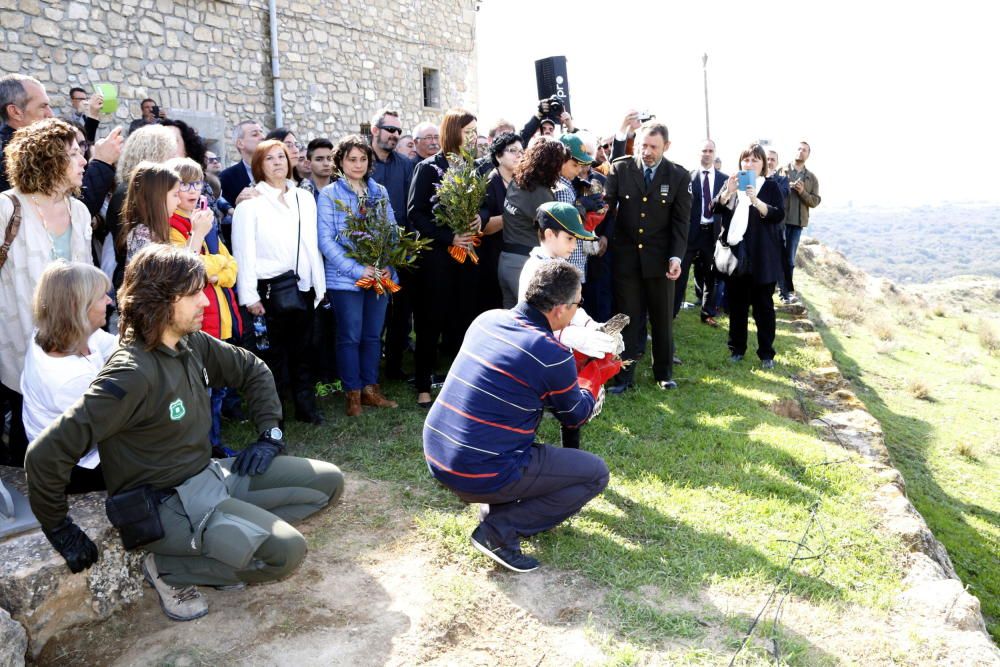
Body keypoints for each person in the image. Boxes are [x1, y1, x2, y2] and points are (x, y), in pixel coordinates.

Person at [25, 244, 344, 622]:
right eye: (193, 293)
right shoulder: (129, 375)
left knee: (328, 483)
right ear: (161, 300)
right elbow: (45, 455)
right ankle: (168, 569)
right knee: (286, 552)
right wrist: (59, 527)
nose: (205, 302)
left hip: (210, 477)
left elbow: (253, 369)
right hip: (167, 505)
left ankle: (230, 533)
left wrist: (269, 433)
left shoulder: (190, 343)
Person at [423, 261, 617, 572]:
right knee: (595, 473)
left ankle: (495, 505)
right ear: (558, 310)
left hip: (438, 453)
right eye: (577, 304)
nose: (578, 310)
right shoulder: (551, 353)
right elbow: (575, 416)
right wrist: (592, 377)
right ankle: (499, 531)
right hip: (476, 469)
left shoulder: (487, 319)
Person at [0, 118, 91, 467]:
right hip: (18, 340)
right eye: (74, 154)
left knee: (67, 431)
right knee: (25, 433)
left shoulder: (79, 211)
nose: (84, 161)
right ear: (47, 159)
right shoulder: (8, 207)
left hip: (70, 344)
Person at [231, 139, 326, 424]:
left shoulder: (304, 197)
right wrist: (250, 296)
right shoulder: (251, 203)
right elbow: (243, 251)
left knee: (303, 351)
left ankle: (306, 408)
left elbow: (312, 243)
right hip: (268, 289)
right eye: (269, 158)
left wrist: (318, 285)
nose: (277, 163)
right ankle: (274, 414)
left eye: (281, 157)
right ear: (259, 165)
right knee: (272, 356)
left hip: (303, 286)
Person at [604, 121, 691, 393]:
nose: (647, 151)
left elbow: (681, 222)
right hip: (627, 257)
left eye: (653, 146)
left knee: (662, 319)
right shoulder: (621, 168)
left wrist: (676, 257)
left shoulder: (678, 176)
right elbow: (607, 207)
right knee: (627, 319)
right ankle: (624, 376)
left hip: (660, 260)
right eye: (643, 145)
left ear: (666, 146)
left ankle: (663, 373)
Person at [317, 135, 399, 416]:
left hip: (379, 275)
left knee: (373, 336)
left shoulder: (380, 192)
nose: (358, 164)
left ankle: (370, 389)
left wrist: (388, 263)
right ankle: (352, 394)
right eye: (352, 159)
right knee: (350, 336)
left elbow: (391, 231)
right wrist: (358, 269)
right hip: (345, 279)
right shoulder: (329, 194)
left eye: (363, 159)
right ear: (340, 161)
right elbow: (326, 241)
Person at [165, 157, 242, 450]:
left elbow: (231, 269)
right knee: (198, 390)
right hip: (196, 319)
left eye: (196, 182)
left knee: (217, 389)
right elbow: (186, 268)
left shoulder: (205, 219)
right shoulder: (170, 223)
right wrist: (211, 265)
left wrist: (212, 268)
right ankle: (198, 449)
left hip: (219, 315)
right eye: (183, 184)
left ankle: (214, 443)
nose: (192, 190)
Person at [407, 108, 481, 408]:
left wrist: (479, 217)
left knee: (464, 320)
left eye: (476, 131)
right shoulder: (427, 168)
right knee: (430, 320)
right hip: (437, 260)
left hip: (468, 258)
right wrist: (448, 237)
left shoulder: (473, 168)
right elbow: (415, 213)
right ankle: (424, 385)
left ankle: (461, 385)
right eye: (469, 131)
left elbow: (486, 204)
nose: (474, 137)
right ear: (453, 132)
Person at [20, 261, 114, 492]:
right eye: (102, 296)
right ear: (78, 306)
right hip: (73, 467)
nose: (110, 301)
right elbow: (106, 428)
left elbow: (117, 346)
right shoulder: (68, 377)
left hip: (74, 444)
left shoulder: (67, 331)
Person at [0, 74, 122, 217]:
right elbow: (65, 213)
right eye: (43, 106)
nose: (50, 114)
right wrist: (102, 162)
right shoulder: (14, 156)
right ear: (15, 111)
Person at [711, 143, 785, 368]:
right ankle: (737, 349)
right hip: (736, 255)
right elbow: (715, 208)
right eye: (746, 160)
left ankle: (766, 354)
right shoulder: (732, 183)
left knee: (764, 308)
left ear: (763, 164)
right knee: (737, 306)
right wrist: (728, 192)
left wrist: (757, 201)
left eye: (755, 160)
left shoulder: (771, 187)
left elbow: (778, 215)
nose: (749, 163)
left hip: (763, 256)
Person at [369, 108, 416, 382]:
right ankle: (369, 371)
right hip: (366, 252)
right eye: (390, 130)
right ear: (375, 130)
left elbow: (411, 207)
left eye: (398, 131)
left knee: (401, 313)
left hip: (401, 251)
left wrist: (409, 245)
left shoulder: (406, 164)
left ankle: (395, 367)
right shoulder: (360, 161)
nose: (395, 135)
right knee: (374, 315)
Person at [106, 125, 179, 290]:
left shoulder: (132, 190)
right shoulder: (127, 193)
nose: (175, 159)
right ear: (157, 154)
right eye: (171, 154)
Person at [498, 137, 567, 308]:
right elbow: (558, 228)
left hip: (505, 260)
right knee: (536, 321)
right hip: (524, 264)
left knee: (512, 325)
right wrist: (581, 208)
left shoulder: (517, 181)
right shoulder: (540, 193)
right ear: (553, 164)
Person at [674, 139, 727, 326]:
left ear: (715, 153)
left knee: (710, 276)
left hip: (712, 234)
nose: (707, 153)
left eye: (710, 150)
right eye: (704, 150)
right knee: (680, 274)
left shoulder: (724, 179)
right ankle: (672, 311)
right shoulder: (688, 177)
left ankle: (707, 313)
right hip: (690, 234)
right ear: (699, 153)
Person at [474, 131, 522, 314]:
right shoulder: (489, 183)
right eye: (512, 150)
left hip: (517, 256)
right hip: (491, 259)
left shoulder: (522, 182)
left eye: (521, 151)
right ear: (498, 156)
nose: (519, 155)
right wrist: (515, 215)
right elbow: (483, 227)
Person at [776, 141, 821, 304]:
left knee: (789, 260)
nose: (801, 152)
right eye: (799, 149)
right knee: (775, 256)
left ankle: (786, 292)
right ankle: (773, 287)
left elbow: (815, 201)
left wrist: (802, 192)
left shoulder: (812, 178)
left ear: (808, 155)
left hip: (796, 224)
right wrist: (787, 187)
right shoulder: (781, 170)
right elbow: (772, 190)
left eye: (805, 150)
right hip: (779, 221)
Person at [116, 161, 182, 264]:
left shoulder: (156, 231)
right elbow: (171, 276)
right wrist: (197, 235)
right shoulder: (142, 234)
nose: (179, 201)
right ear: (157, 197)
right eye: (175, 195)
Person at [219, 120, 265, 210]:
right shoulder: (226, 178)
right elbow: (224, 219)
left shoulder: (276, 169)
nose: (263, 137)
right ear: (240, 143)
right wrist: (238, 205)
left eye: (262, 132)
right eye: (255, 134)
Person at [298, 137, 335, 202]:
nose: (326, 164)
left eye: (329, 159)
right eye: (319, 159)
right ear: (308, 164)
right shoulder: (301, 192)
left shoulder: (342, 189)